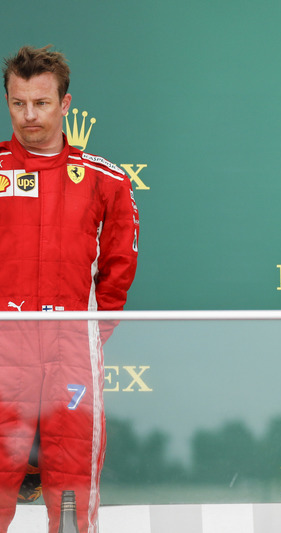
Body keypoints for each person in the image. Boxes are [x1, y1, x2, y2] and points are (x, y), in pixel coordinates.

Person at [0, 45, 139, 533]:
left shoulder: (106, 180)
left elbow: (118, 273)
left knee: (73, 491)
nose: (29, 115)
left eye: (41, 102)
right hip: (1, 356)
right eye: (18, 103)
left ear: (65, 103)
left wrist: (85, 340)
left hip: (71, 357)